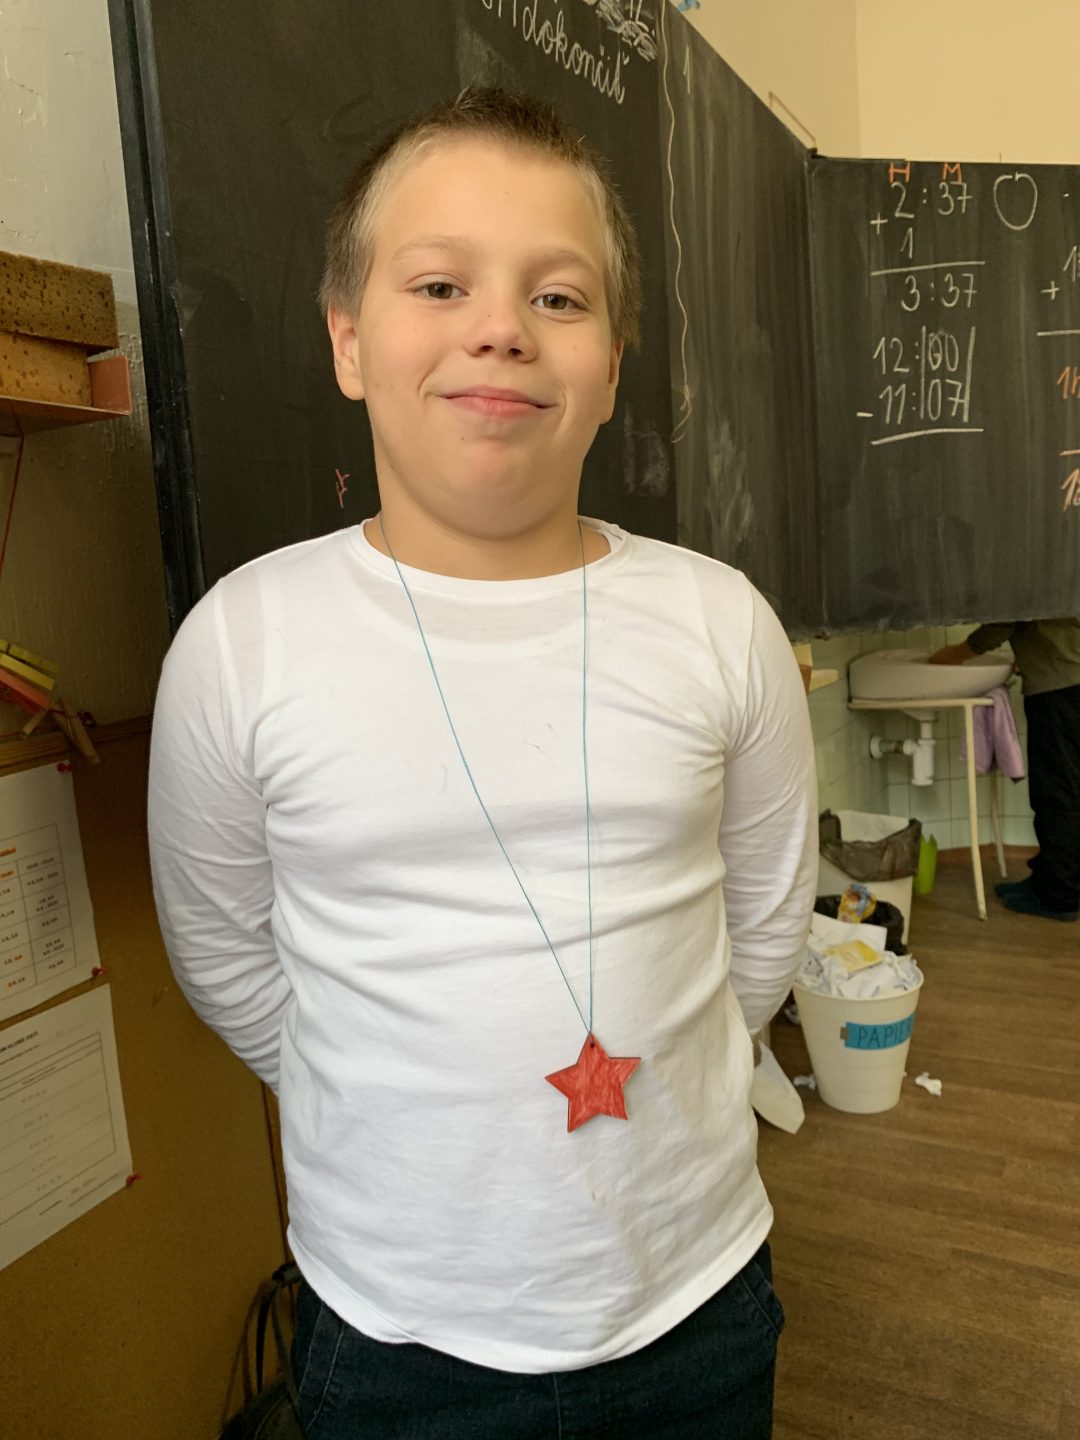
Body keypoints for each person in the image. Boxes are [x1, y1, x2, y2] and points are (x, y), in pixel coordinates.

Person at [147, 88, 818, 1439]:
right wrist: (386, 1107)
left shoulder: (719, 623)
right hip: (394, 1329)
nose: (501, 326)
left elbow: (762, 927)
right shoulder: (243, 643)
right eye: (441, 284)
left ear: (612, 365)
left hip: (691, 1295)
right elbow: (225, 955)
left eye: (558, 298)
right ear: (349, 340)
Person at [930, 620, 1080, 922]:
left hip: (1059, 687)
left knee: (1057, 793)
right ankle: (1048, 880)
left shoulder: (1029, 583)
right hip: (1068, 680)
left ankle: (1058, 896)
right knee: (1066, 789)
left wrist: (954, 654)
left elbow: (1004, 621)